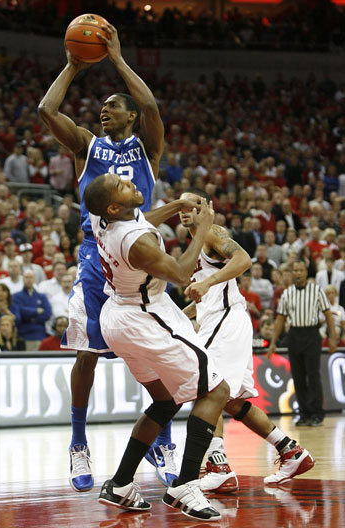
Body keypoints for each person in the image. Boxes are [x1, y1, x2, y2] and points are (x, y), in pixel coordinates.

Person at [38, 22, 172, 492]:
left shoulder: (147, 147)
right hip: (97, 261)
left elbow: (152, 105)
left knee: (153, 355)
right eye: (103, 106)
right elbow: (46, 109)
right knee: (87, 356)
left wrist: (116, 58)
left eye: (113, 106)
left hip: (143, 258)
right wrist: (73, 66)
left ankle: (164, 438)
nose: (104, 110)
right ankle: (78, 442)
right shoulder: (85, 147)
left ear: (132, 117)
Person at [84, 172, 229, 521]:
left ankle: (120, 484)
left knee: (164, 402)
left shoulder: (103, 217)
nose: (129, 182)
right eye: (121, 186)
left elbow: (140, 220)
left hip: (118, 313)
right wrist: (205, 225)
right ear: (115, 206)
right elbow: (180, 274)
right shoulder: (136, 243)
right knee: (216, 391)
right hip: (145, 315)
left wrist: (177, 205)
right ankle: (186, 484)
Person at [180, 189, 315, 491]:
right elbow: (208, 294)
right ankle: (290, 451)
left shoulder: (212, 233)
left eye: (194, 204)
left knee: (207, 392)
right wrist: (182, 312)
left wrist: (207, 282)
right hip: (224, 320)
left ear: (208, 208)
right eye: (182, 205)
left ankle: (219, 466)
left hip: (226, 321)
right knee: (230, 400)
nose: (185, 210)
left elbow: (243, 259)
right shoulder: (196, 242)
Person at [268, 260, 337, 427]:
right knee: (298, 377)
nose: (298, 273)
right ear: (292, 273)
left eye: (301, 270)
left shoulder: (317, 291)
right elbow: (280, 319)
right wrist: (272, 342)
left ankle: (316, 413)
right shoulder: (287, 293)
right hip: (294, 335)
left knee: (313, 375)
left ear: (306, 272)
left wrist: (333, 337)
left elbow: (328, 315)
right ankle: (304, 413)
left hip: (311, 334)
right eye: (295, 270)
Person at [13, 269, 52, 351]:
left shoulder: (42, 296)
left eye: (31, 277)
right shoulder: (16, 296)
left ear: (34, 279)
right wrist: (36, 311)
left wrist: (30, 318)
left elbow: (47, 314)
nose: (29, 280)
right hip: (23, 335)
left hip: (39, 335)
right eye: (26, 277)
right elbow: (19, 311)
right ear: (22, 279)